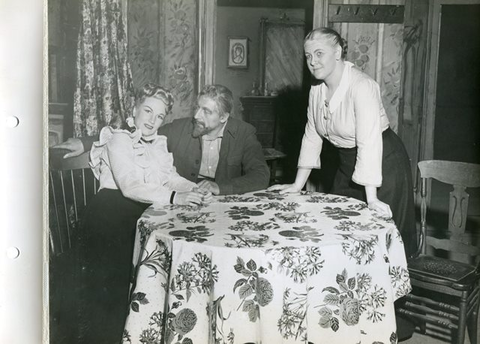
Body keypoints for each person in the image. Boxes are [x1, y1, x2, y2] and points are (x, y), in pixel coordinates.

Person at [77, 83, 212, 343]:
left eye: (160, 116)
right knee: (110, 296)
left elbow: (171, 178)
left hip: (137, 214)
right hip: (108, 216)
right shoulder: (118, 139)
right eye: (148, 111)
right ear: (134, 108)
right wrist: (176, 197)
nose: (152, 120)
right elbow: (130, 186)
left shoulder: (158, 144)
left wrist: (195, 189)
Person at [268, 27, 417, 258]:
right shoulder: (316, 89)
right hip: (348, 164)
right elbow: (312, 134)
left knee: (382, 244)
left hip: (383, 163)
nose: (313, 62)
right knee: (340, 233)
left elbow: (368, 141)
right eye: (308, 56)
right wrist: (297, 185)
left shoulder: (362, 86)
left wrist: (372, 197)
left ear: (337, 52)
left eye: (319, 54)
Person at [54, 84, 270, 195]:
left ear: (224, 117)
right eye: (197, 107)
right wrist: (86, 142)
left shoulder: (244, 133)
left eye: (206, 112)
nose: (196, 116)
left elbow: (261, 175)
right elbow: (138, 132)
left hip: (222, 207)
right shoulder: (180, 128)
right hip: (182, 202)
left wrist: (220, 188)